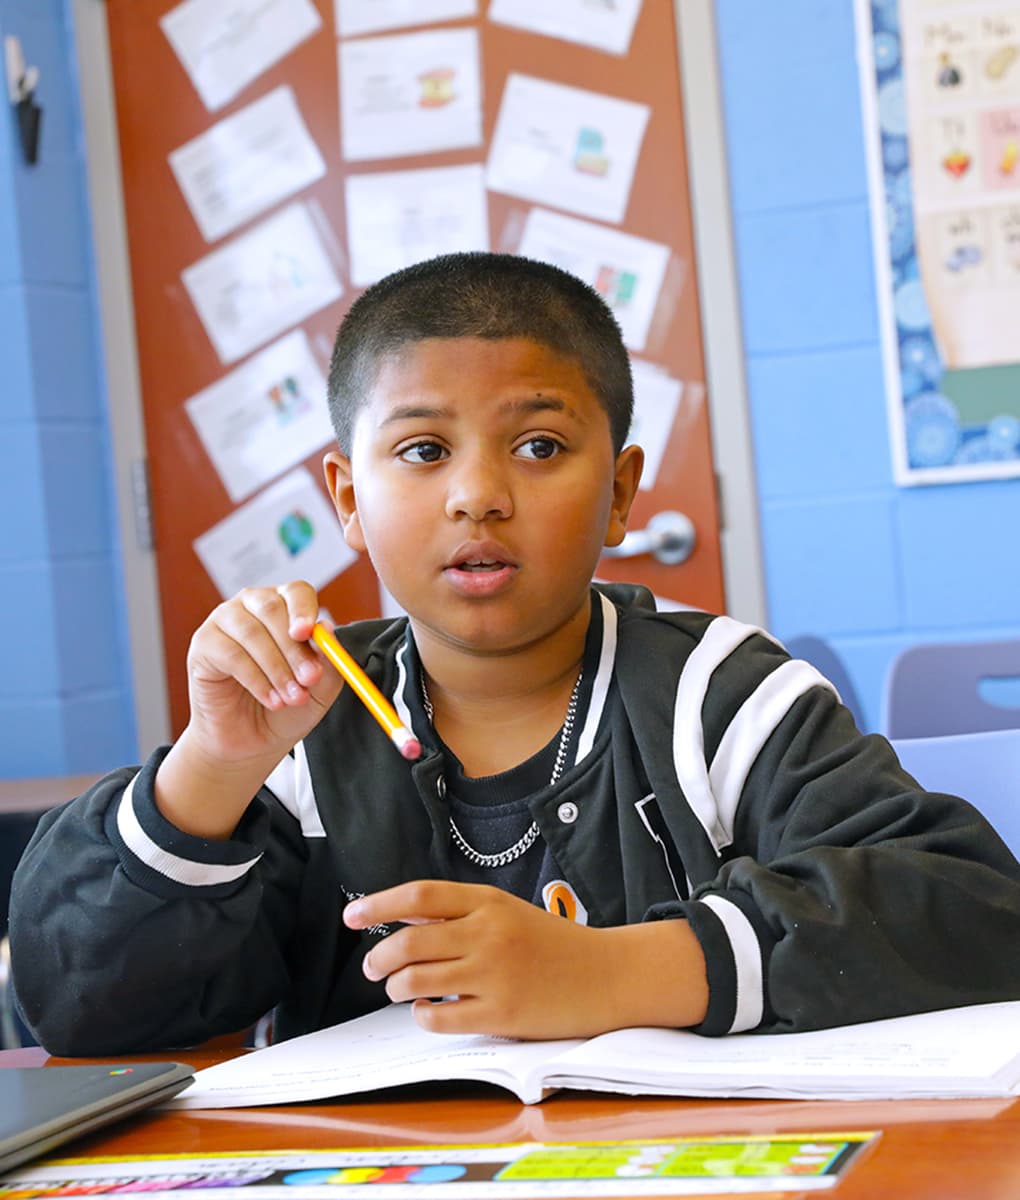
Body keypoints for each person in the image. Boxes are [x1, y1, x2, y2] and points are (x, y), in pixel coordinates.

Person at [10, 252, 1020, 1056]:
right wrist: (211, 767)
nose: (476, 495)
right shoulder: (297, 730)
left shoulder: (721, 692)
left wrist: (614, 972)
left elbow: (972, 911)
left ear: (621, 492)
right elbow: (80, 1009)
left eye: (538, 446)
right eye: (421, 451)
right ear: (348, 498)